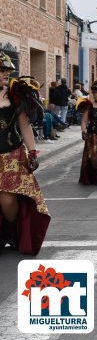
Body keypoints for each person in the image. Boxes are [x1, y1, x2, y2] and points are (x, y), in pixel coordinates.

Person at [0, 53, 50, 254]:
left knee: (8, 199)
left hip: (12, 155)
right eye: (2, 70)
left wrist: (32, 152)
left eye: (6, 70)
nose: (6, 74)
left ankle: (11, 230)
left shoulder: (16, 95)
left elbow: (25, 126)